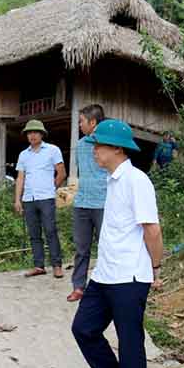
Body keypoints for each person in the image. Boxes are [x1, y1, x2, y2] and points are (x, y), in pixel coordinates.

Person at [71, 119, 164, 368]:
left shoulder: (137, 181)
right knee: (83, 329)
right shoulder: (112, 180)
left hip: (130, 277)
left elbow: (151, 229)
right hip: (106, 274)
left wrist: (156, 268)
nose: (94, 151)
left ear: (116, 149)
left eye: (99, 146)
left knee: (130, 343)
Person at [14, 119, 66, 278]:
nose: (32, 135)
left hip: (46, 198)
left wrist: (52, 188)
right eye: (29, 132)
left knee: (50, 231)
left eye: (35, 132)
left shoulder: (52, 150)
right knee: (34, 233)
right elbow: (20, 178)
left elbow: (61, 173)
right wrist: (17, 199)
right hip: (29, 199)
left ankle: (57, 265)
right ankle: (39, 266)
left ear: (42, 134)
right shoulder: (23, 155)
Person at [68, 104, 108, 302]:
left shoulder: (109, 143)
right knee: (81, 248)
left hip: (103, 203)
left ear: (93, 122)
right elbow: (81, 173)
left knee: (106, 247)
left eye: (81, 121)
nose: (79, 125)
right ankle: (78, 287)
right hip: (82, 203)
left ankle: (106, 287)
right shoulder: (81, 145)